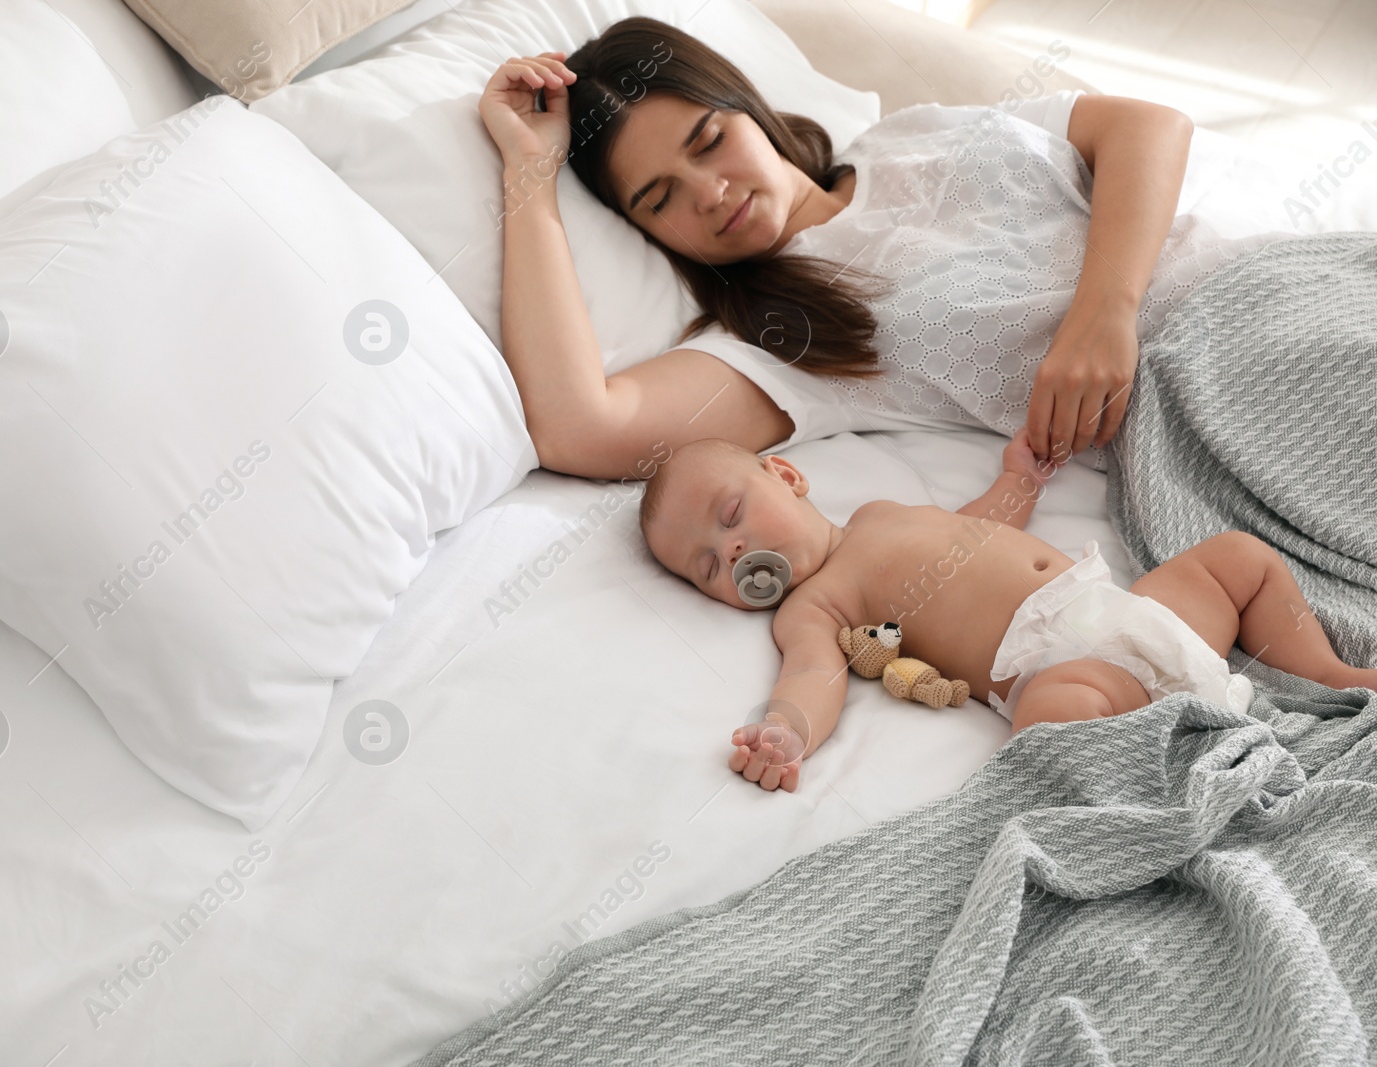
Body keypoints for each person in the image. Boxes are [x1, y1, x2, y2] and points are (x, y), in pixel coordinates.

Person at [475, 17, 1289, 479]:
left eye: (709, 140)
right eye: (660, 199)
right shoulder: (787, 339)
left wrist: (1103, 313)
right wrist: (529, 175)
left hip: (1275, 284)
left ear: (747, 109)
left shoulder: (907, 133)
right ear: (645, 231)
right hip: (1217, 417)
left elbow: (1145, 126)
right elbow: (580, 427)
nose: (710, 192)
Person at [636, 430, 1377, 792]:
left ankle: (1332, 674)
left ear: (786, 474)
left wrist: (1018, 479)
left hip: (1123, 610)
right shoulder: (814, 603)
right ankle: (1168, 768)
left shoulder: (877, 511)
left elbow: (981, 526)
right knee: (1046, 719)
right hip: (1066, 666)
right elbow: (812, 675)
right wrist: (785, 732)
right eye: (707, 565)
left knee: (1238, 559)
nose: (732, 552)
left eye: (731, 515)